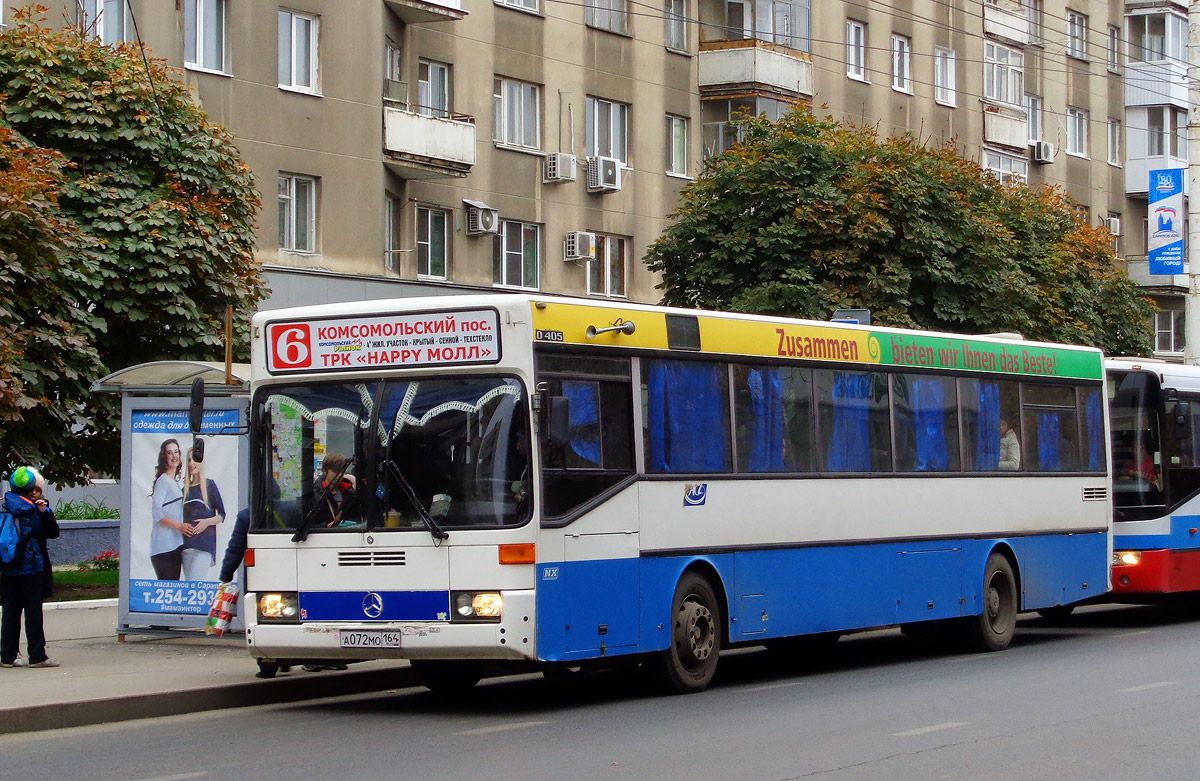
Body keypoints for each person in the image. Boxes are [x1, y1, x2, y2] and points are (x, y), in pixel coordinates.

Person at [1, 466, 61, 669]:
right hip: (31, 566)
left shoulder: (4, 505)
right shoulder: (32, 509)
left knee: (10, 612)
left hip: (8, 565)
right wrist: (45, 512)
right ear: (29, 487)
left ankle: (7, 656)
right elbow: (51, 533)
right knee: (33, 612)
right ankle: (37, 655)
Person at [181, 447, 225, 581]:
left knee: (195, 584)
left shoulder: (209, 485)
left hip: (204, 546)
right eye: (189, 460)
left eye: (195, 459)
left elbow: (222, 515)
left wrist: (206, 522)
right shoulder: (184, 490)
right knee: (189, 587)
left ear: (201, 462)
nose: (191, 464)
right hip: (186, 547)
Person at [150, 438, 188, 579]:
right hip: (163, 547)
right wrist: (179, 526)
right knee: (168, 588)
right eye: (170, 453)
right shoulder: (163, 481)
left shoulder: (173, 482)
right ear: (164, 456)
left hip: (175, 544)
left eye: (176, 452)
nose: (174, 456)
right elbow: (157, 514)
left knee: (174, 589)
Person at [313, 453, 358, 528]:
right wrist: (325, 526)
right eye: (336, 471)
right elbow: (308, 525)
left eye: (342, 471)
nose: (340, 474)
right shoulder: (316, 495)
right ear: (325, 471)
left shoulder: (349, 492)